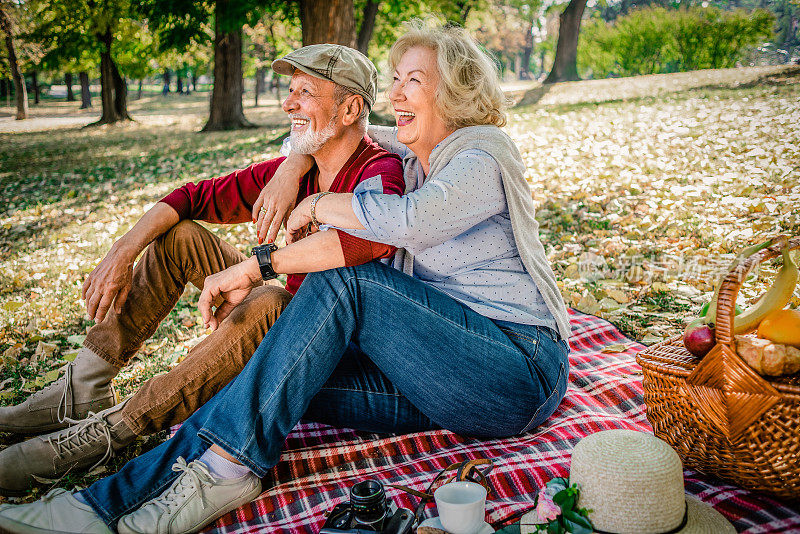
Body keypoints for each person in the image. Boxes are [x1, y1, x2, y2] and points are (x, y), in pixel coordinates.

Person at [0, 21, 571, 534]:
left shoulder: (482, 154)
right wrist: (298, 162)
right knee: (256, 377)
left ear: (454, 93)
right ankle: (102, 505)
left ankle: (222, 468)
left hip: (514, 370)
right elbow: (340, 134)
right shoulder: (417, 154)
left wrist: (305, 217)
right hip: (442, 384)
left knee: (341, 278)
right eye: (394, 79)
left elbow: (411, 221)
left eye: (412, 81)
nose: (395, 94)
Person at [0, 44, 405, 495]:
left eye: (305, 91)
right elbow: (190, 197)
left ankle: (115, 429)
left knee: (271, 300)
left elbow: (374, 236)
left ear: (351, 108)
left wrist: (257, 267)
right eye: (290, 90)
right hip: (277, 307)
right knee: (180, 237)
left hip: (331, 353)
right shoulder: (295, 170)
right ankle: (86, 383)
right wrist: (122, 251)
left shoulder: (381, 172)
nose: (288, 103)